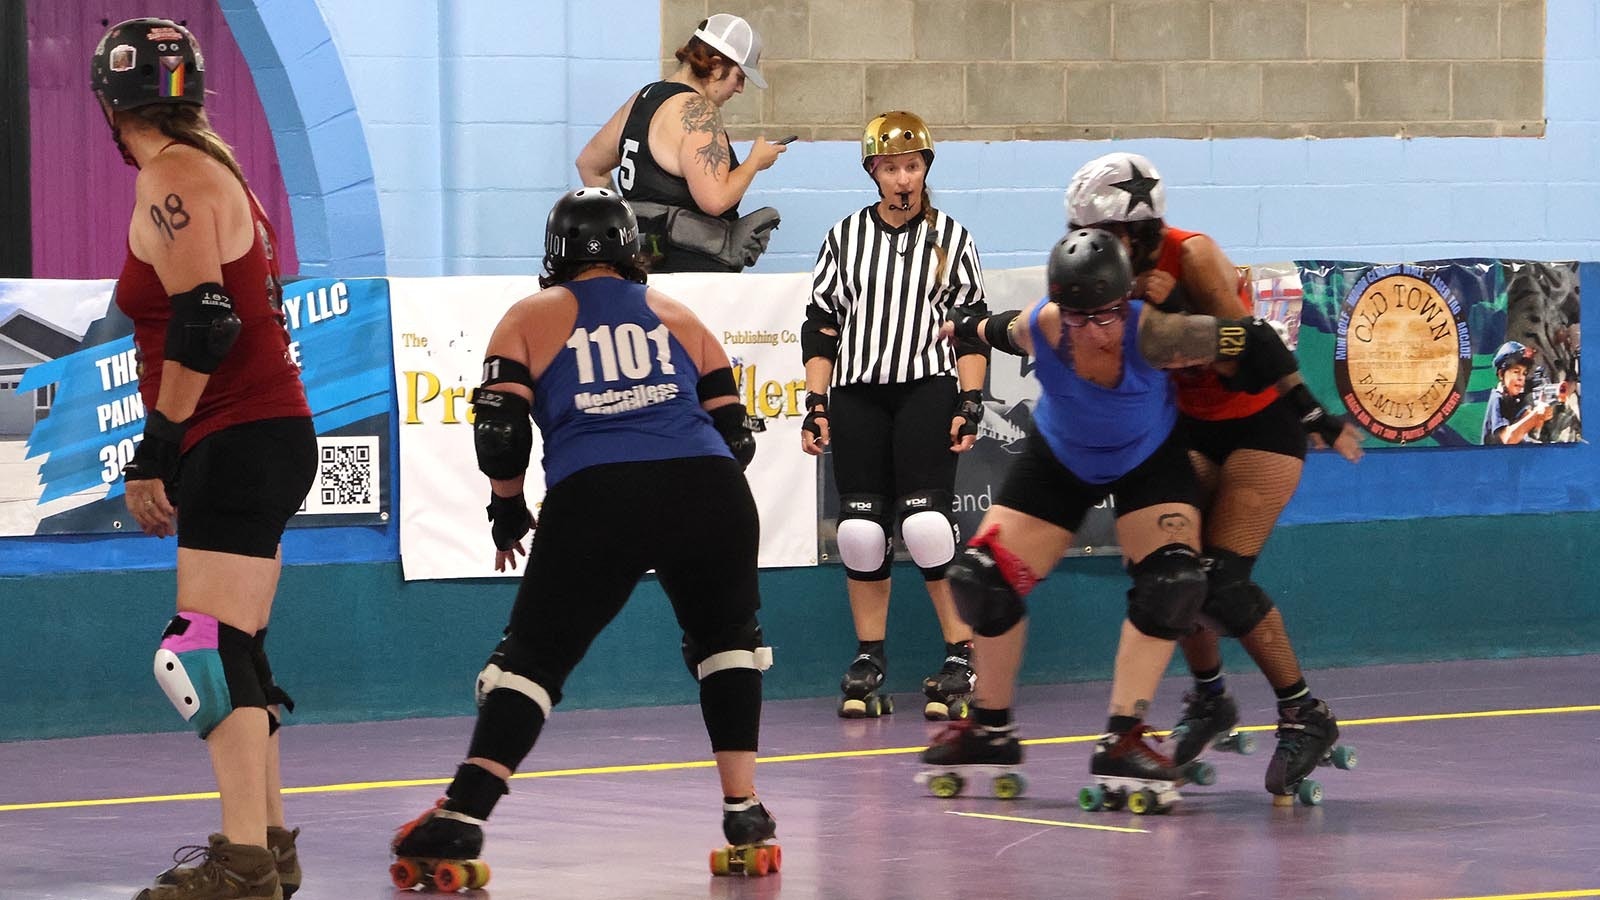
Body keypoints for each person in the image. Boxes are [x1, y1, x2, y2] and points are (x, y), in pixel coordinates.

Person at [388, 189, 779, 886]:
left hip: (600, 493)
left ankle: (465, 815)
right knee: (727, 643)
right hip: (710, 489)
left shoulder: (531, 315)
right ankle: (743, 809)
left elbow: (500, 432)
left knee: (534, 662)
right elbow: (735, 437)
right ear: (634, 251)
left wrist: (506, 506)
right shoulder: (679, 316)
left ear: (556, 255)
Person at [920, 228, 1322, 808]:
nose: (1094, 332)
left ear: (1125, 303)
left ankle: (1123, 736)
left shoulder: (1155, 331)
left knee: (1175, 583)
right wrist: (963, 326)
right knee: (982, 578)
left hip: (1147, 460)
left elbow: (1254, 339)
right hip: (1062, 457)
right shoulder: (1047, 325)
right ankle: (990, 728)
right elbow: (999, 327)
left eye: (1107, 316)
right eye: (1079, 318)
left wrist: (1311, 411)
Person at [93, 18, 316, 900]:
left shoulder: (172, 176)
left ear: (111, 104)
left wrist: (157, 450)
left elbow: (206, 321)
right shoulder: (215, 171)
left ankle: (243, 863)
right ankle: (267, 845)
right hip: (264, 430)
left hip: (239, 430)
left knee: (199, 651)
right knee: (236, 649)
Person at [1064, 151, 1362, 800]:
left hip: (1260, 422)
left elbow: (1245, 355)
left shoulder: (1192, 256)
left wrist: (1172, 320)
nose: (1095, 250)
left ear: (1141, 231)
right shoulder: (1110, 271)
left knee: (1223, 580)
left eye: (1108, 237)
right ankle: (1209, 698)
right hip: (1193, 426)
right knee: (1169, 571)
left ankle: (1305, 713)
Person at [800, 110, 989, 721]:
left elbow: (970, 330)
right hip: (858, 392)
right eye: (890, 168)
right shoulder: (844, 238)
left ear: (925, 169)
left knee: (927, 525)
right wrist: (816, 401)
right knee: (858, 532)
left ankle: (960, 654)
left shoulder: (953, 240)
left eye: (911, 166)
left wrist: (970, 401)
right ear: (873, 173)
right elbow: (822, 324)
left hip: (926, 388)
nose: (902, 178)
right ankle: (870, 657)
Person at [576, 13, 786, 273]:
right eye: (739, 77)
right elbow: (715, 200)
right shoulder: (698, 110)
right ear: (716, 65)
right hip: (691, 277)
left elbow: (589, 165)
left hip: (638, 269)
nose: (740, 88)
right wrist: (755, 161)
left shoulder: (642, 98)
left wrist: (623, 230)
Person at [1482, 340, 1563, 444]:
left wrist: (1540, 417)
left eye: (1524, 373)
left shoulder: (1516, 401)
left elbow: (1532, 432)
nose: (1521, 378)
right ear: (1501, 374)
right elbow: (1507, 439)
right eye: (1516, 372)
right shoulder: (1497, 398)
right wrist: (1535, 415)